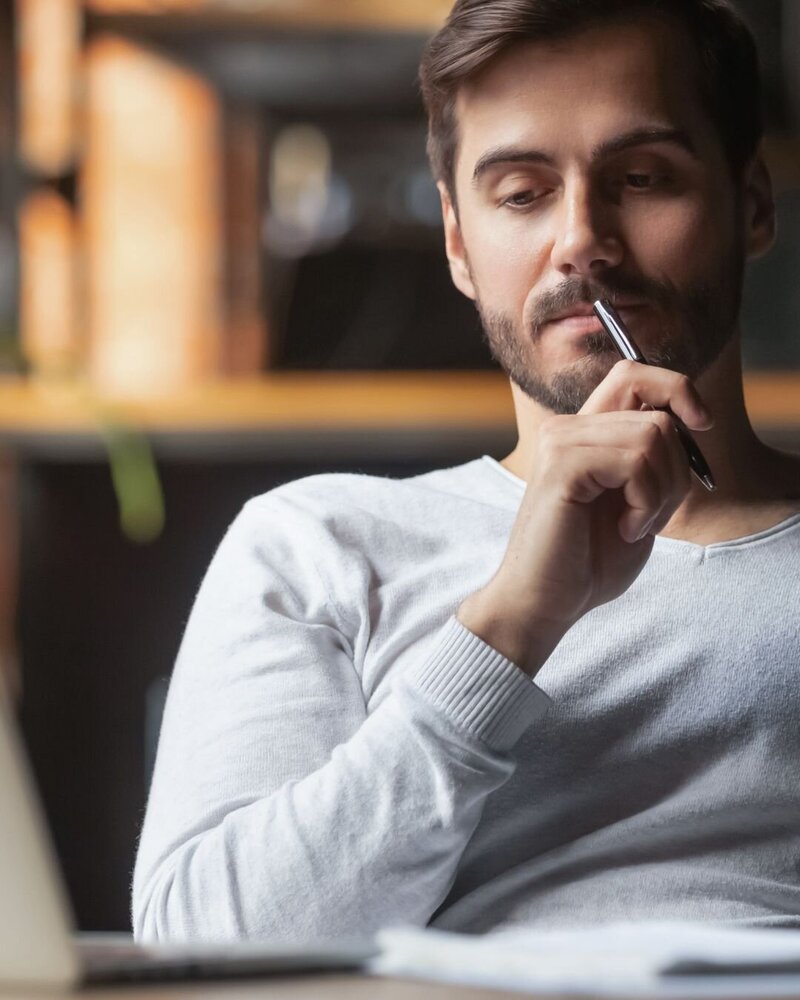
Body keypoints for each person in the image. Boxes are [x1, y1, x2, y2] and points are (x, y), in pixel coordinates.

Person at [132, 0, 800, 942]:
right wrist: (509, 624)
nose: (582, 240)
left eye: (644, 178)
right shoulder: (317, 547)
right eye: (522, 194)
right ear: (458, 241)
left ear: (753, 205)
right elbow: (201, 950)